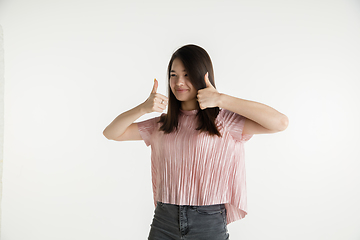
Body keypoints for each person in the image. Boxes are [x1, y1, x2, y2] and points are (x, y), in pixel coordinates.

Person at [103, 44, 289, 240]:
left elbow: (280, 122)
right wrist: (142, 108)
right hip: (164, 220)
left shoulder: (224, 122)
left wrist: (220, 99)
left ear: (201, 75)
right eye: (173, 75)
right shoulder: (163, 124)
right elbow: (111, 132)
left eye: (187, 74)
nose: (179, 82)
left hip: (208, 222)